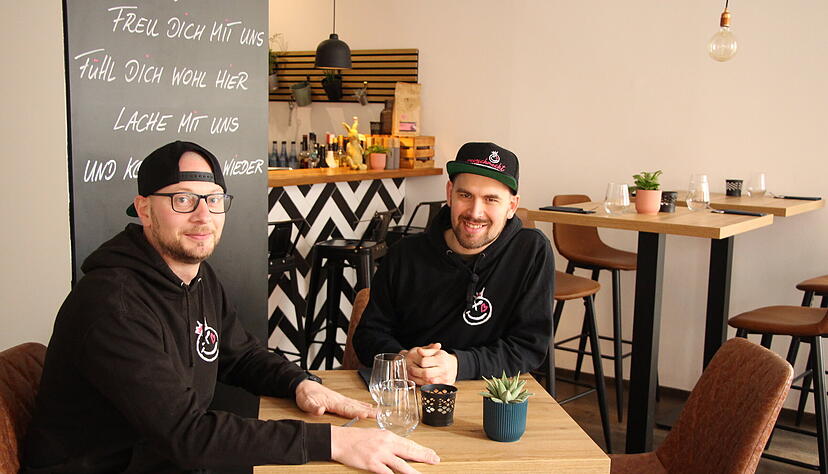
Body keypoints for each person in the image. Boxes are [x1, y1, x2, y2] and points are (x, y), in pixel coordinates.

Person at [22, 141, 439, 474]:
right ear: (145, 209)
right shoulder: (113, 305)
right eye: (183, 199)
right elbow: (187, 434)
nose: (204, 215)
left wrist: (300, 383)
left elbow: (239, 353)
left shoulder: (194, 275)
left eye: (214, 199)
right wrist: (336, 442)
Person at [353, 142, 555, 386]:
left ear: (511, 206)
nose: (475, 212)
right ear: (449, 193)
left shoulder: (530, 252)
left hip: (489, 395)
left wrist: (459, 365)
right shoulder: (404, 255)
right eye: (465, 195)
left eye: (491, 199)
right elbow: (367, 336)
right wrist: (402, 359)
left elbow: (529, 347)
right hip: (408, 394)